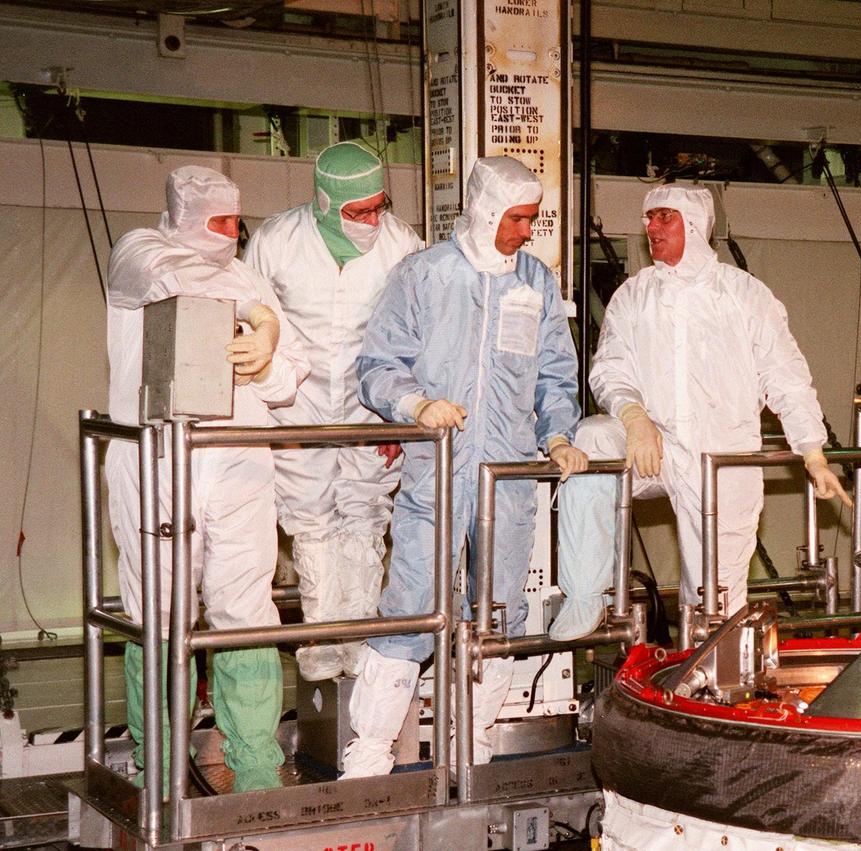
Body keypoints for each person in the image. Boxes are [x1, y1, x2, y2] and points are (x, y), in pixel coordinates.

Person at [339, 156, 588, 778]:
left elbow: (557, 373)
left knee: (500, 612)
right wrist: (416, 404)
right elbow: (377, 366)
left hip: (507, 477)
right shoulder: (423, 276)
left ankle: (471, 744)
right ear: (483, 212)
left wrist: (558, 436)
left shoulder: (536, 281)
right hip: (438, 472)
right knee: (411, 605)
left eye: (531, 219)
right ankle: (369, 750)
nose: (527, 231)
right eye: (518, 218)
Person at [551, 184, 851, 641]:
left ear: (693, 225)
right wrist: (634, 417)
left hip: (721, 457)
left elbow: (785, 375)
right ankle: (585, 594)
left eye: (664, 217)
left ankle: (713, 680)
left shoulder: (743, 295)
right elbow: (610, 368)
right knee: (592, 438)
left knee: (715, 599)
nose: (651, 227)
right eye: (648, 218)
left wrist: (813, 453)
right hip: (652, 445)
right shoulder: (635, 295)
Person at [105, 165, 309, 792]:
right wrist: (259, 317)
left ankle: (254, 769)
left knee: (245, 612)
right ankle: (158, 769)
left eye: (234, 223)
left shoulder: (247, 273)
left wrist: (266, 359)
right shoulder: (139, 250)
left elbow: (291, 374)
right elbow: (181, 278)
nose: (228, 234)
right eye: (216, 222)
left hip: (240, 463)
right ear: (185, 216)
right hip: (160, 465)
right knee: (159, 613)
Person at [245, 140, 425, 682]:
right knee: (311, 518)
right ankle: (323, 637)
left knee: (366, 515)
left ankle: (361, 636)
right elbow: (247, 320)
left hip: (372, 405)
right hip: (296, 403)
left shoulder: (401, 243)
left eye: (379, 205)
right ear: (325, 203)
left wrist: (405, 415)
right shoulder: (278, 241)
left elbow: (423, 332)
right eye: (357, 211)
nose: (372, 219)